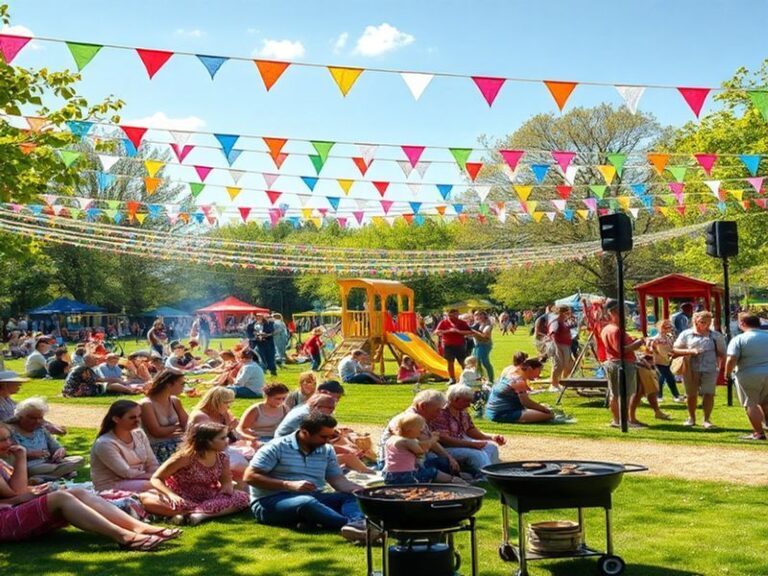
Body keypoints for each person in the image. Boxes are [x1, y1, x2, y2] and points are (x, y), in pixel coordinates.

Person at [0, 423, 177, 550]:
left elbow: (17, 492)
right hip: (4, 520)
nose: (9, 443)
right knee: (61, 496)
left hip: (12, 510)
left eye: (8, 438)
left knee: (77, 491)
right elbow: (16, 495)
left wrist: (32, 487)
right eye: (2, 440)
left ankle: (138, 527)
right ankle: (125, 537)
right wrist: (26, 489)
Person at [244, 412, 373, 543]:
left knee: (352, 497)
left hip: (313, 497)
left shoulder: (327, 450)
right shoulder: (276, 447)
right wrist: (288, 485)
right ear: (305, 432)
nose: (328, 440)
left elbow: (338, 480)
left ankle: (357, 524)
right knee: (306, 503)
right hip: (270, 502)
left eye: (331, 436)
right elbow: (250, 477)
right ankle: (356, 527)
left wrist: (359, 490)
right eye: (323, 436)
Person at [150, 422, 249, 525]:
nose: (227, 441)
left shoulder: (222, 458)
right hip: (182, 497)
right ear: (208, 442)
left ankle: (199, 515)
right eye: (222, 438)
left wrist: (227, 488)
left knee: (242, 497)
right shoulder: (184, 458)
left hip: (207, 496)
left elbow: (226, 480)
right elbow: (156, 478)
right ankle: (197, 512)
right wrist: (171, 495)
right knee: (148, 499)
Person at [380, 390, 462, 478]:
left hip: (406, 461)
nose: (439, 414)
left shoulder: (417, 418)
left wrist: (449, 458)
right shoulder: (411, 420)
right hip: (398, 466)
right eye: (437, 410)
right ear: (423, 406)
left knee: (445, 462)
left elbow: (430, 443)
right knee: (442, 465)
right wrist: (435, 440)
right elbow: (425, 447)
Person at [6, 398, 84, 482]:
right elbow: (9, 453)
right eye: (32, 418)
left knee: (79, 459)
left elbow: (56, 446)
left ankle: (44, 477)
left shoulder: (41, 429)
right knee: (35, 469)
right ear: (20, 416)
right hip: (28, 465)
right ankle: (61, 473)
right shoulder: (10, 431)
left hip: (49, 462)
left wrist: (60, 451)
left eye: (40, 418)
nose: (37, 421)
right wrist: (31, 454)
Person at [432, 385, 505, 475]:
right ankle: (486, 476)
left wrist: (491, 437)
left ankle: (493, 473)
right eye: (466, 401)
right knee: (476, 454)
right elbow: (445, 440)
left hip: (461, 442)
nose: (469, 404)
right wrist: (470, 444)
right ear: (455, 399)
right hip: (446, 448)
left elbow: (470, 430)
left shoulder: (463, 412)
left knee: (491, 447)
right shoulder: (441, 414)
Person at [90, 400, 161, 492]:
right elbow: (126, 473)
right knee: (157, 486)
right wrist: (155, 477)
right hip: (112, 484)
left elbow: (152, 462)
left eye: (139, 416)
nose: (137, 420)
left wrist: (158, 474)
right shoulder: (105, 443)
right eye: (132, 417)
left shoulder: (139, 434)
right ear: (116, 419)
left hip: (141, 479)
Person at [674, 310, 726, 429]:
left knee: (709, 394)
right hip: (690, 368)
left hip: (710, 368)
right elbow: (675, 349)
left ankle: (707, 420)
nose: (706, 325)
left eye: (708, 322)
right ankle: (691, 418)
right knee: (691, 394)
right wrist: (691, 351)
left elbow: (723, 353)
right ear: (696, 321)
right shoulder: (686, 334)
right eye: (703, 322)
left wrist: (721, 367)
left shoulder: (716, 335)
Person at [188, 387, 253, 480]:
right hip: (206, 452)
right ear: (215, 401)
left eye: (230, 402)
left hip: (223, 448)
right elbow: (207, 441)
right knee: (243, 466)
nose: (229, 406)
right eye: (226, 403)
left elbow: (235, 434)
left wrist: (249, 439)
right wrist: (229, 428)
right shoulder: (200, 417)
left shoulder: (222, 413)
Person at [383, 413, 465, 485]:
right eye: (420, 429)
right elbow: (422, 450)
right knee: (432, 472)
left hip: (389, 475)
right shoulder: (407, 441)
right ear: (410, 431)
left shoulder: (393, 439)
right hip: (405, 476)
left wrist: (430, 440)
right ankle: (454, 480)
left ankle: (456, 476)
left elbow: (419, 444)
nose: (421, 431)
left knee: (430, 465)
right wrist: (432, 440)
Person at [601, 300, 647, 428]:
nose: (626, 313)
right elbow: (621, 350)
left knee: (615, 393)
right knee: (624, 395)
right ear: (614, 312)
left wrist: (633, 341)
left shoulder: (607, 328)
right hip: (622, 363)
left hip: (614, 362)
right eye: (623, 310)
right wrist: (638, 343)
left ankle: (617, 420)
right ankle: (623, 421)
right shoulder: (615, 330)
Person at [725, 313, 768, 440]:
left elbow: (731, 358)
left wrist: (727, 373)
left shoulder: (739, 339)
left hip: (748, 373)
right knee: (766, 402)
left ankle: (758, 433)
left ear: (742, 323)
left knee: (750, 403)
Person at [486, 353, 555, 423]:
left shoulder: (512, 373)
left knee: (540, 410)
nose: (539, 374)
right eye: (539, 371)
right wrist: (544, 409)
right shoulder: (518, 380)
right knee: (549, 415)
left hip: (491, 411)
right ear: (530, 369)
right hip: (502, 414)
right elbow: (526, 402)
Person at [140, 369, 188, 462]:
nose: (184, 387)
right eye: (182, 384)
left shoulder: (175, 401)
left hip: (177, 443)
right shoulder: (146, 405)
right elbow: (156, 432)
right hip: (157, 448)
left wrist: (169, 430)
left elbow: (187, 424)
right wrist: (178, 427)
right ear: (169, 385)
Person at [63, 354, 142, 397]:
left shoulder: (81, 367)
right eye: (94, 359)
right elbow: (99, 380)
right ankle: (130, 391)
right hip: (74, 391)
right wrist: (116, 380)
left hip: (69, 390)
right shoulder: (84, 369)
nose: (97, 360)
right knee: (108, 386)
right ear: (89, 361)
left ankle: (127, 390)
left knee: (107, 386)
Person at [648, 319, 685, 402]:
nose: (670, 328)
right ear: (661, 328)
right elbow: (658, 350)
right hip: (659, 361)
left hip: (666, 361)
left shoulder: (667, 337)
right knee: (664, 378)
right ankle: (662, 396)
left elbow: (671, 348)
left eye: (670, 327)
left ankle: (669, 396)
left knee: (667, 378)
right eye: (668, 327)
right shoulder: (657, 339)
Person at [434, 309, 474, 384]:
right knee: (450, 362)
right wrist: (448, 331)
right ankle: (452, 379)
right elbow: (436, 332)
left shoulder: (462, 322)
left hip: (460, 344)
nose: (455, 316)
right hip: (448, 345)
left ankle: (468, 377)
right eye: (452, 315)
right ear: (449, 315)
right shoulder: (444, 322)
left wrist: (458, 331)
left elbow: (470, 332)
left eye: (456, 314)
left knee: (463, 361)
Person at [547, 305, 574, 392]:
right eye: (567, 312)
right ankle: (553, 385)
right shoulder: (556, 321)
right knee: (558, 365)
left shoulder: (563, 321)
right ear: (562, 313)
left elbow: (569, 326)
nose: (569, 314)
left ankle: (561, 382)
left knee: (567, 365)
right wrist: (556, 347)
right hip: (558, 345)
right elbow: (552, 333)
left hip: (565, 345)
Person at [471, 310, 495, 383]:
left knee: (484, 362)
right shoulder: (477, 324)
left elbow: (484, 335)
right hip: (477, 345)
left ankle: (490, 379)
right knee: (476, 362)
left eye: (480, 314)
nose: (479, 316)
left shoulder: (488, 324)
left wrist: (473, 332)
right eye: (476, 315)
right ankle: (480, 377)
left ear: (485, 315)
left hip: (485, 345)